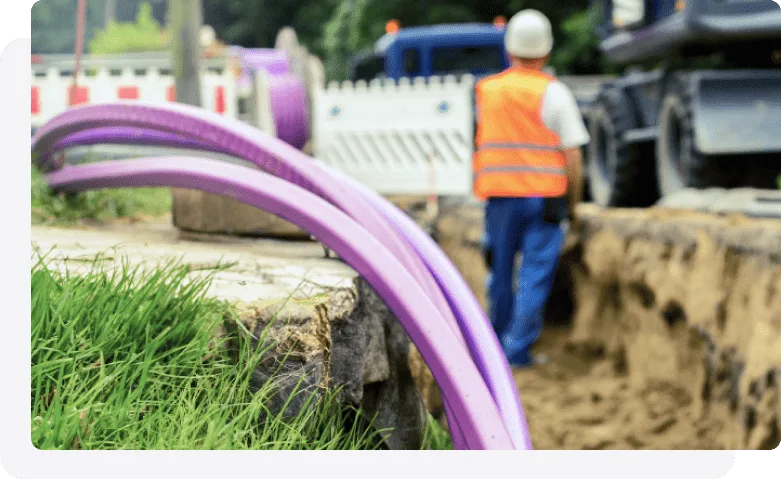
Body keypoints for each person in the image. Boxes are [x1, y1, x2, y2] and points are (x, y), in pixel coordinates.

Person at [473, 9, 590, 368]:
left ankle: (494, 348)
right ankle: (516, 352)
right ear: (547, 52)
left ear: (509, 50)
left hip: (500, 199)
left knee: (500, 275)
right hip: (545, 199)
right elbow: (572, 156)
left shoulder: (487, 91)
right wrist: (574, 205)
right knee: (534, 276)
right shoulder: (554, 93)